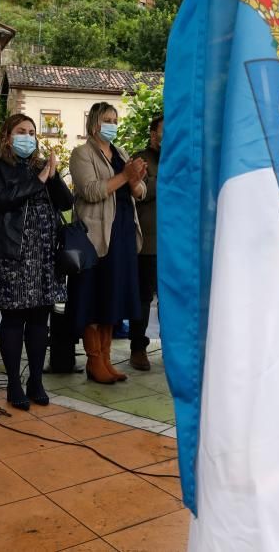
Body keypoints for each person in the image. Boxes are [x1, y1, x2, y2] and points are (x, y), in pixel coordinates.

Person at [0, 115, 73, 409]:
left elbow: (66, 203)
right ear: (7, 136)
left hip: (43, 254)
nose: (28, 137)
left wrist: (52, 176)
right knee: (14, 318)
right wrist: (39, 179)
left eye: (32, 132)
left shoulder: (41, 167)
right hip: (11, 255)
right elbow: (2, 199)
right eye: (21, 132)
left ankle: (36, 381)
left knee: (40, 319)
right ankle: (14, 384)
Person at [67, 102, 147, 384]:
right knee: (94, 296)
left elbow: (140, 191)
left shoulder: (121, 152)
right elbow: (89, 191)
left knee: (113, 296)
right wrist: (124, 176)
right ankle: (93, 360)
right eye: (106, 119)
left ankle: (107, 358)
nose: (112, 123)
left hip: (123, 231)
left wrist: (135, 181)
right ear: (93, 123)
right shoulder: (82, 153)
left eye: (115, 119)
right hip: (96, 236)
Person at [130, 114, 163, 370]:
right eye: (164, 131)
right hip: (149, 243)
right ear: (153, 134)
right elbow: (138, 190)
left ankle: (172, 347)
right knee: (142, 298)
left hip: (177, 243)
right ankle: (138, 348)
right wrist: (168, 180)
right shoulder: (140, 159)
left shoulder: (183, 159)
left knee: (173, 299)